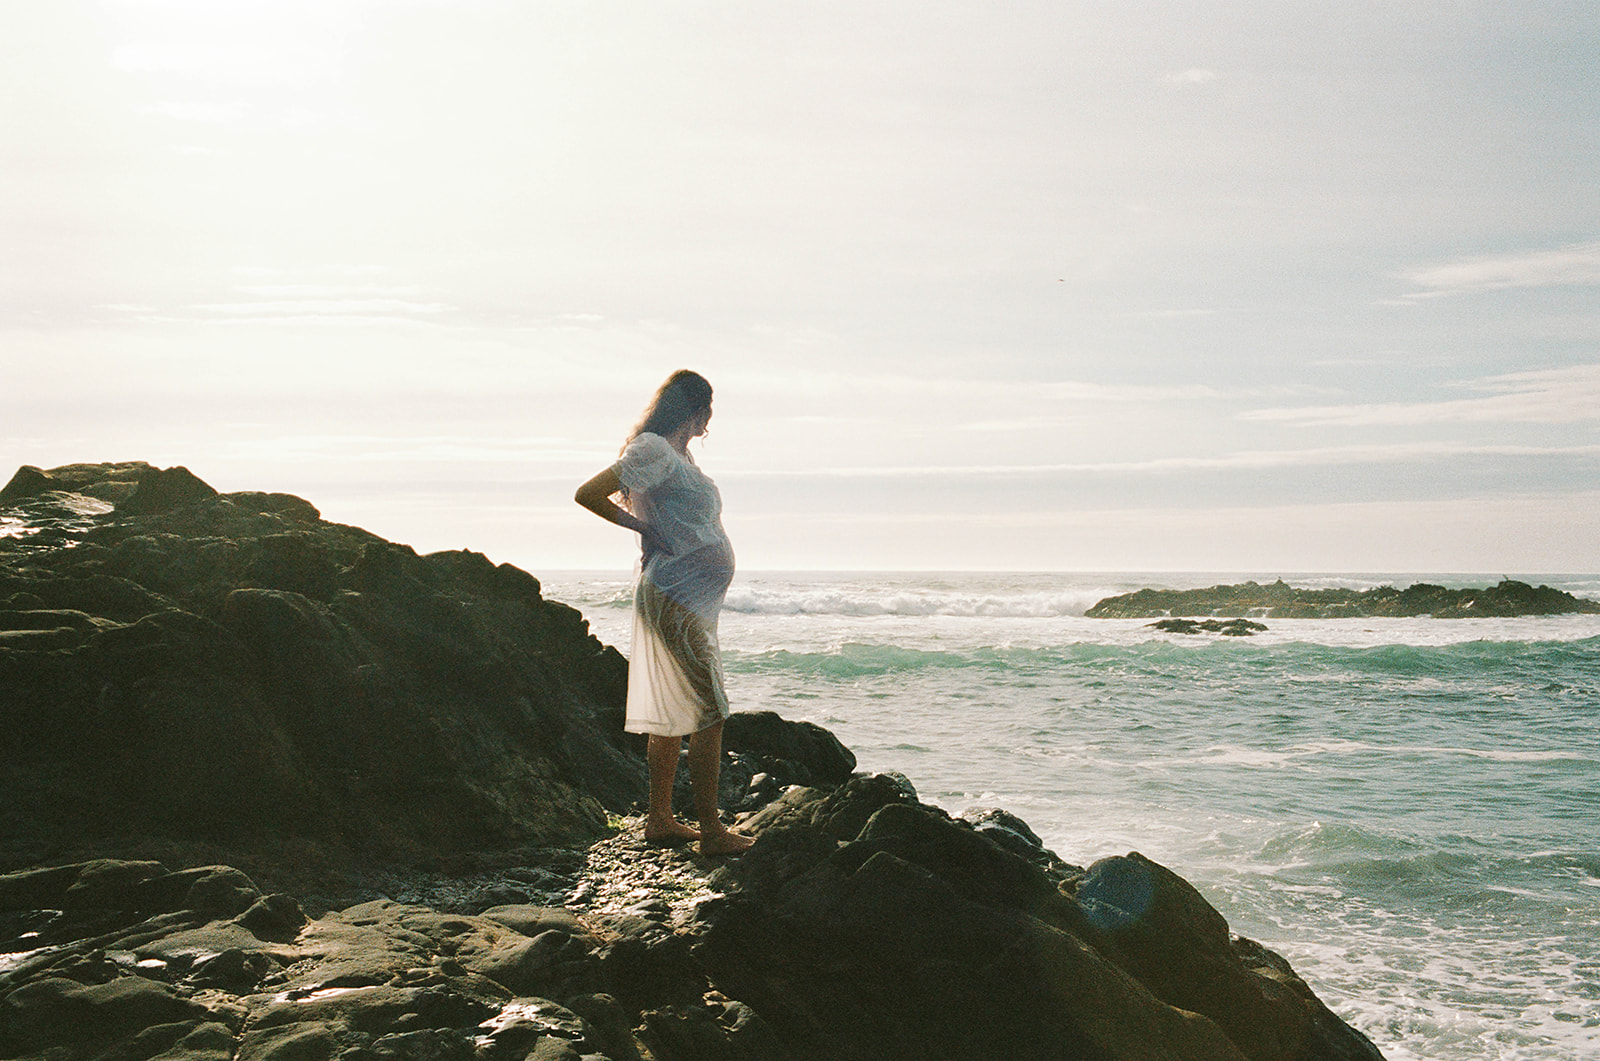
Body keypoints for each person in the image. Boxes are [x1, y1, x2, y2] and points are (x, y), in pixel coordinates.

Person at [575, 370, 753, 856]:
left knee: (676, 709)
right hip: (673, 594)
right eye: (708, 410)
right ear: (695, 409)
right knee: (709, 712)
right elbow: (587, 494)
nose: (710, 421)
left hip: (692, 600)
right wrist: (642, 529)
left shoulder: (678, 455)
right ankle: (712, 831)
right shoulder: (652, 448)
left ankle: (660, 820)